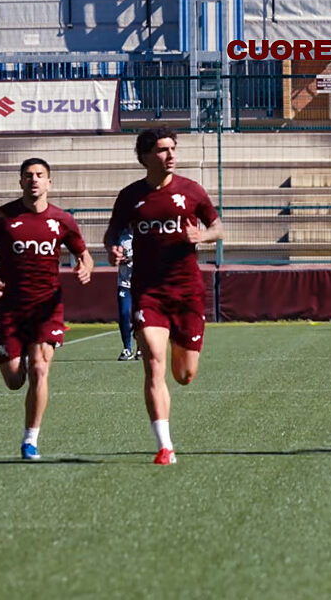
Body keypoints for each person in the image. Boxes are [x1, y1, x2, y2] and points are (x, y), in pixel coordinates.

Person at [104, 128, 224, 465]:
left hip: (187, 293)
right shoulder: (130, 196)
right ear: (144, 157)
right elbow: (113, 231)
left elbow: (218, 227)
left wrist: (202, 234)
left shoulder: (191, 191)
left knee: (184, 375)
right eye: (161, 150)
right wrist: (112, 248)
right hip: (148, 292)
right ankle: (165, 446)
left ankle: (177, 343)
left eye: (173, 148)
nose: (170, 155)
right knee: (153, 363)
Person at [0, 158, 94, 460]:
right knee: (15, 380)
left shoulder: (63, 220)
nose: (34, 180)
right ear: (20, 181)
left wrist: (86, 268)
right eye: (28, 175)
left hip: (47, 307)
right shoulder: (2, 216)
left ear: (49, 182)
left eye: (40, 175)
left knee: (40, 368)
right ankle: (20, 359)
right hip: (10, 309)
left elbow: (85, 255)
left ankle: (30, 441)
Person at [114, 226, 139, 361]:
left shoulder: (145, 233)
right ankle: (127, 348)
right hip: (124, 283)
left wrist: (132, 258)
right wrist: (117, 258)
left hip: (141, 283)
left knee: (140, 316)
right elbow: (113, 255)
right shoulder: (121, 236)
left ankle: (141, 347)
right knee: (124, 313)